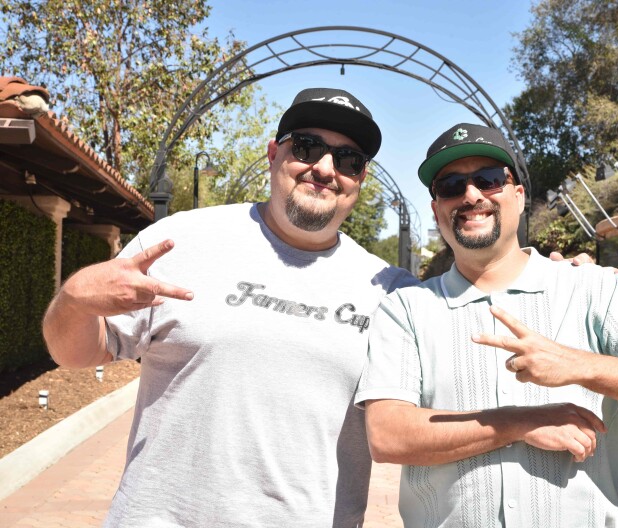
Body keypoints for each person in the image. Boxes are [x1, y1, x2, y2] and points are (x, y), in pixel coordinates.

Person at [42, 87, 420, 527]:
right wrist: (72, 303)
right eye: (306, 147)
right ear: (273, 153)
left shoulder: (390, 290)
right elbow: (78, 353)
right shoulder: (179, 242)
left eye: (348, 159)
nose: (324, 168)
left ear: (361, 179)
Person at [354, 123, 618, 528]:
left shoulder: (591, 288)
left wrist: (578, 364)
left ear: (518, 196)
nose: (471, 195)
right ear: (437, 211)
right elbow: (387, 435)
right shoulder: (406, 309)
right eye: (451, 186)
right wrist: (519, 422)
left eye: (487, 180)